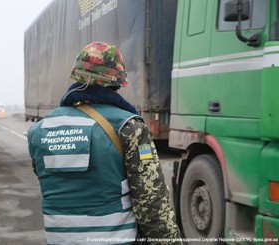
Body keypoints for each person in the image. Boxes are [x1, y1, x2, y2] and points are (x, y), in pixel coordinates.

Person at [28, 42, 181, 244]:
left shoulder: (39, 131)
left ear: (77, 76)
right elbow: (151, 202)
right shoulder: (129, 127)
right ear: (117, 82)